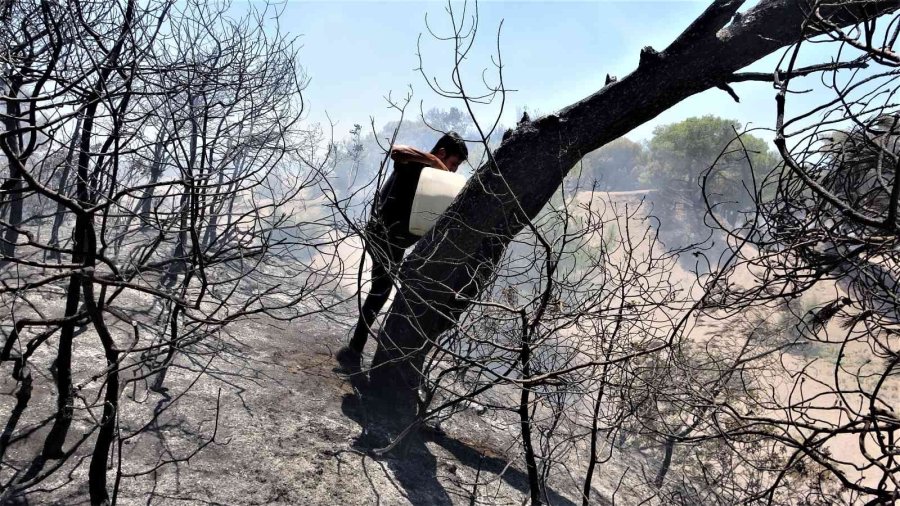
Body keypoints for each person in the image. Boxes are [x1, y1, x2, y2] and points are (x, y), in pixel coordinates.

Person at [335, 132, 468, 373]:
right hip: (383, 235)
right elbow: (397, 150)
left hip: (396, 240)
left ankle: (356, 348)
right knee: (380, 292)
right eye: (453, 164)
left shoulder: (434, 180)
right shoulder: (417, 164)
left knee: (382, 291)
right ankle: (353, 350)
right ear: (441, 154)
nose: (453, 171)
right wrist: (436, 163)